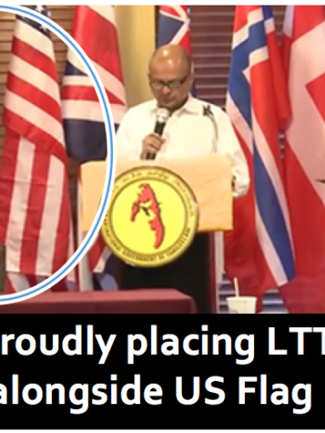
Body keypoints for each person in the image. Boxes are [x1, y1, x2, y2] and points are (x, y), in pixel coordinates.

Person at [114, 44, 249, 313]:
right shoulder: (134, 119)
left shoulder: (212, 119)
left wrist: (207, 182)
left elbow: (239, 179)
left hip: (194, 240)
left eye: (173, 83)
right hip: (138, 237)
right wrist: (142, 157)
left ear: (191, 78)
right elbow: (114, 182)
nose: (165, 91)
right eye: (157, 83)